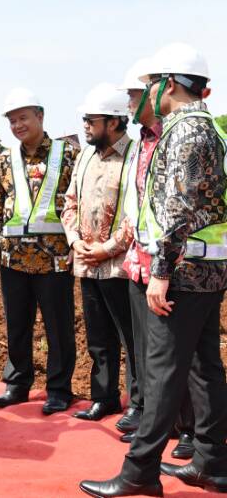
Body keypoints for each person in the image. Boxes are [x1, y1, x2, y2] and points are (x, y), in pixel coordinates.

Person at [81, 43, 227, 497]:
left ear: (167, 84)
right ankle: (211, 461)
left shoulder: (184, 134)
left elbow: (177, 210)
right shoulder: (211, 129)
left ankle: (139, 472)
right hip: (209, 266)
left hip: (182, 271)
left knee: (162, 370)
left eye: (148, 86)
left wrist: (160, 271)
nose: (144, 95)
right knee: (203, 366)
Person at [112, 59, 194, 455]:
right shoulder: (142, 139)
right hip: (139, 258)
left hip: (169, 260)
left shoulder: (174, 136)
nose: (128, 102)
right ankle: (154, 419)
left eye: (132, 94)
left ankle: (189, 428)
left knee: (182, 353)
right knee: (144, 348)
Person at [0, 88, 78, 415]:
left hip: (55, 258)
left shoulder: (69, 155)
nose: (17, 125)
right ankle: (17, 383)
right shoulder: (3, 161)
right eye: (12, 120)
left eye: (23, 117)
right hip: (14, 260)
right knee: (17, 325)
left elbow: (78, 203)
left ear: (40, 115)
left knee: (59, 327)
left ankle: (58, 389)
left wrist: (77, 245)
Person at [61, 83, 139, 423]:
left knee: (131, 339)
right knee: (98, 336)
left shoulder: (135, 156)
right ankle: (104, 398)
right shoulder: (84, 156)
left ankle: (139, 404)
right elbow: (69, 204)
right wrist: (76, 242)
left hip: (119, 266)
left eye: (91, 120)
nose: (86, 126)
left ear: (114, 122)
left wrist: (108, 249)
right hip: (87, 264)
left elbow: (136, 214)